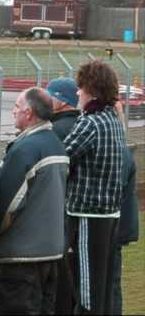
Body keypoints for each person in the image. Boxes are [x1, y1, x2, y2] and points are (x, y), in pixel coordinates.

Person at [0, 87, 69, 315]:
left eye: (16, 107)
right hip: (52, 251)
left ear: (29, 113)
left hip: (22, 257)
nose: (13, 112)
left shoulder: (25, 149)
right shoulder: (56, 143)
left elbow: (7, 205)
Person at [63, 60, 126, 315]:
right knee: (101, 289)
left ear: (92, 89)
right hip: (109, 214)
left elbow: (62, 157)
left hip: (88, 215)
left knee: (86, 293)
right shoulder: (112, 118)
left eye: (80, 87)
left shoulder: (90, 122)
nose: (77, 92)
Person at [46, 77, 80, 315]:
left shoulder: (56, 131)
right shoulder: (83, 125)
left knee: (59, 280)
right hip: (77, 212)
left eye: (51, 95)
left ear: (61, 101)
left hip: (59, 213)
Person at [111, 102, 140, 315]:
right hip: (119, 228)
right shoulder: (121, 148)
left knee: (108, 289)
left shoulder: (116, 151)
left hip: (111, 230)